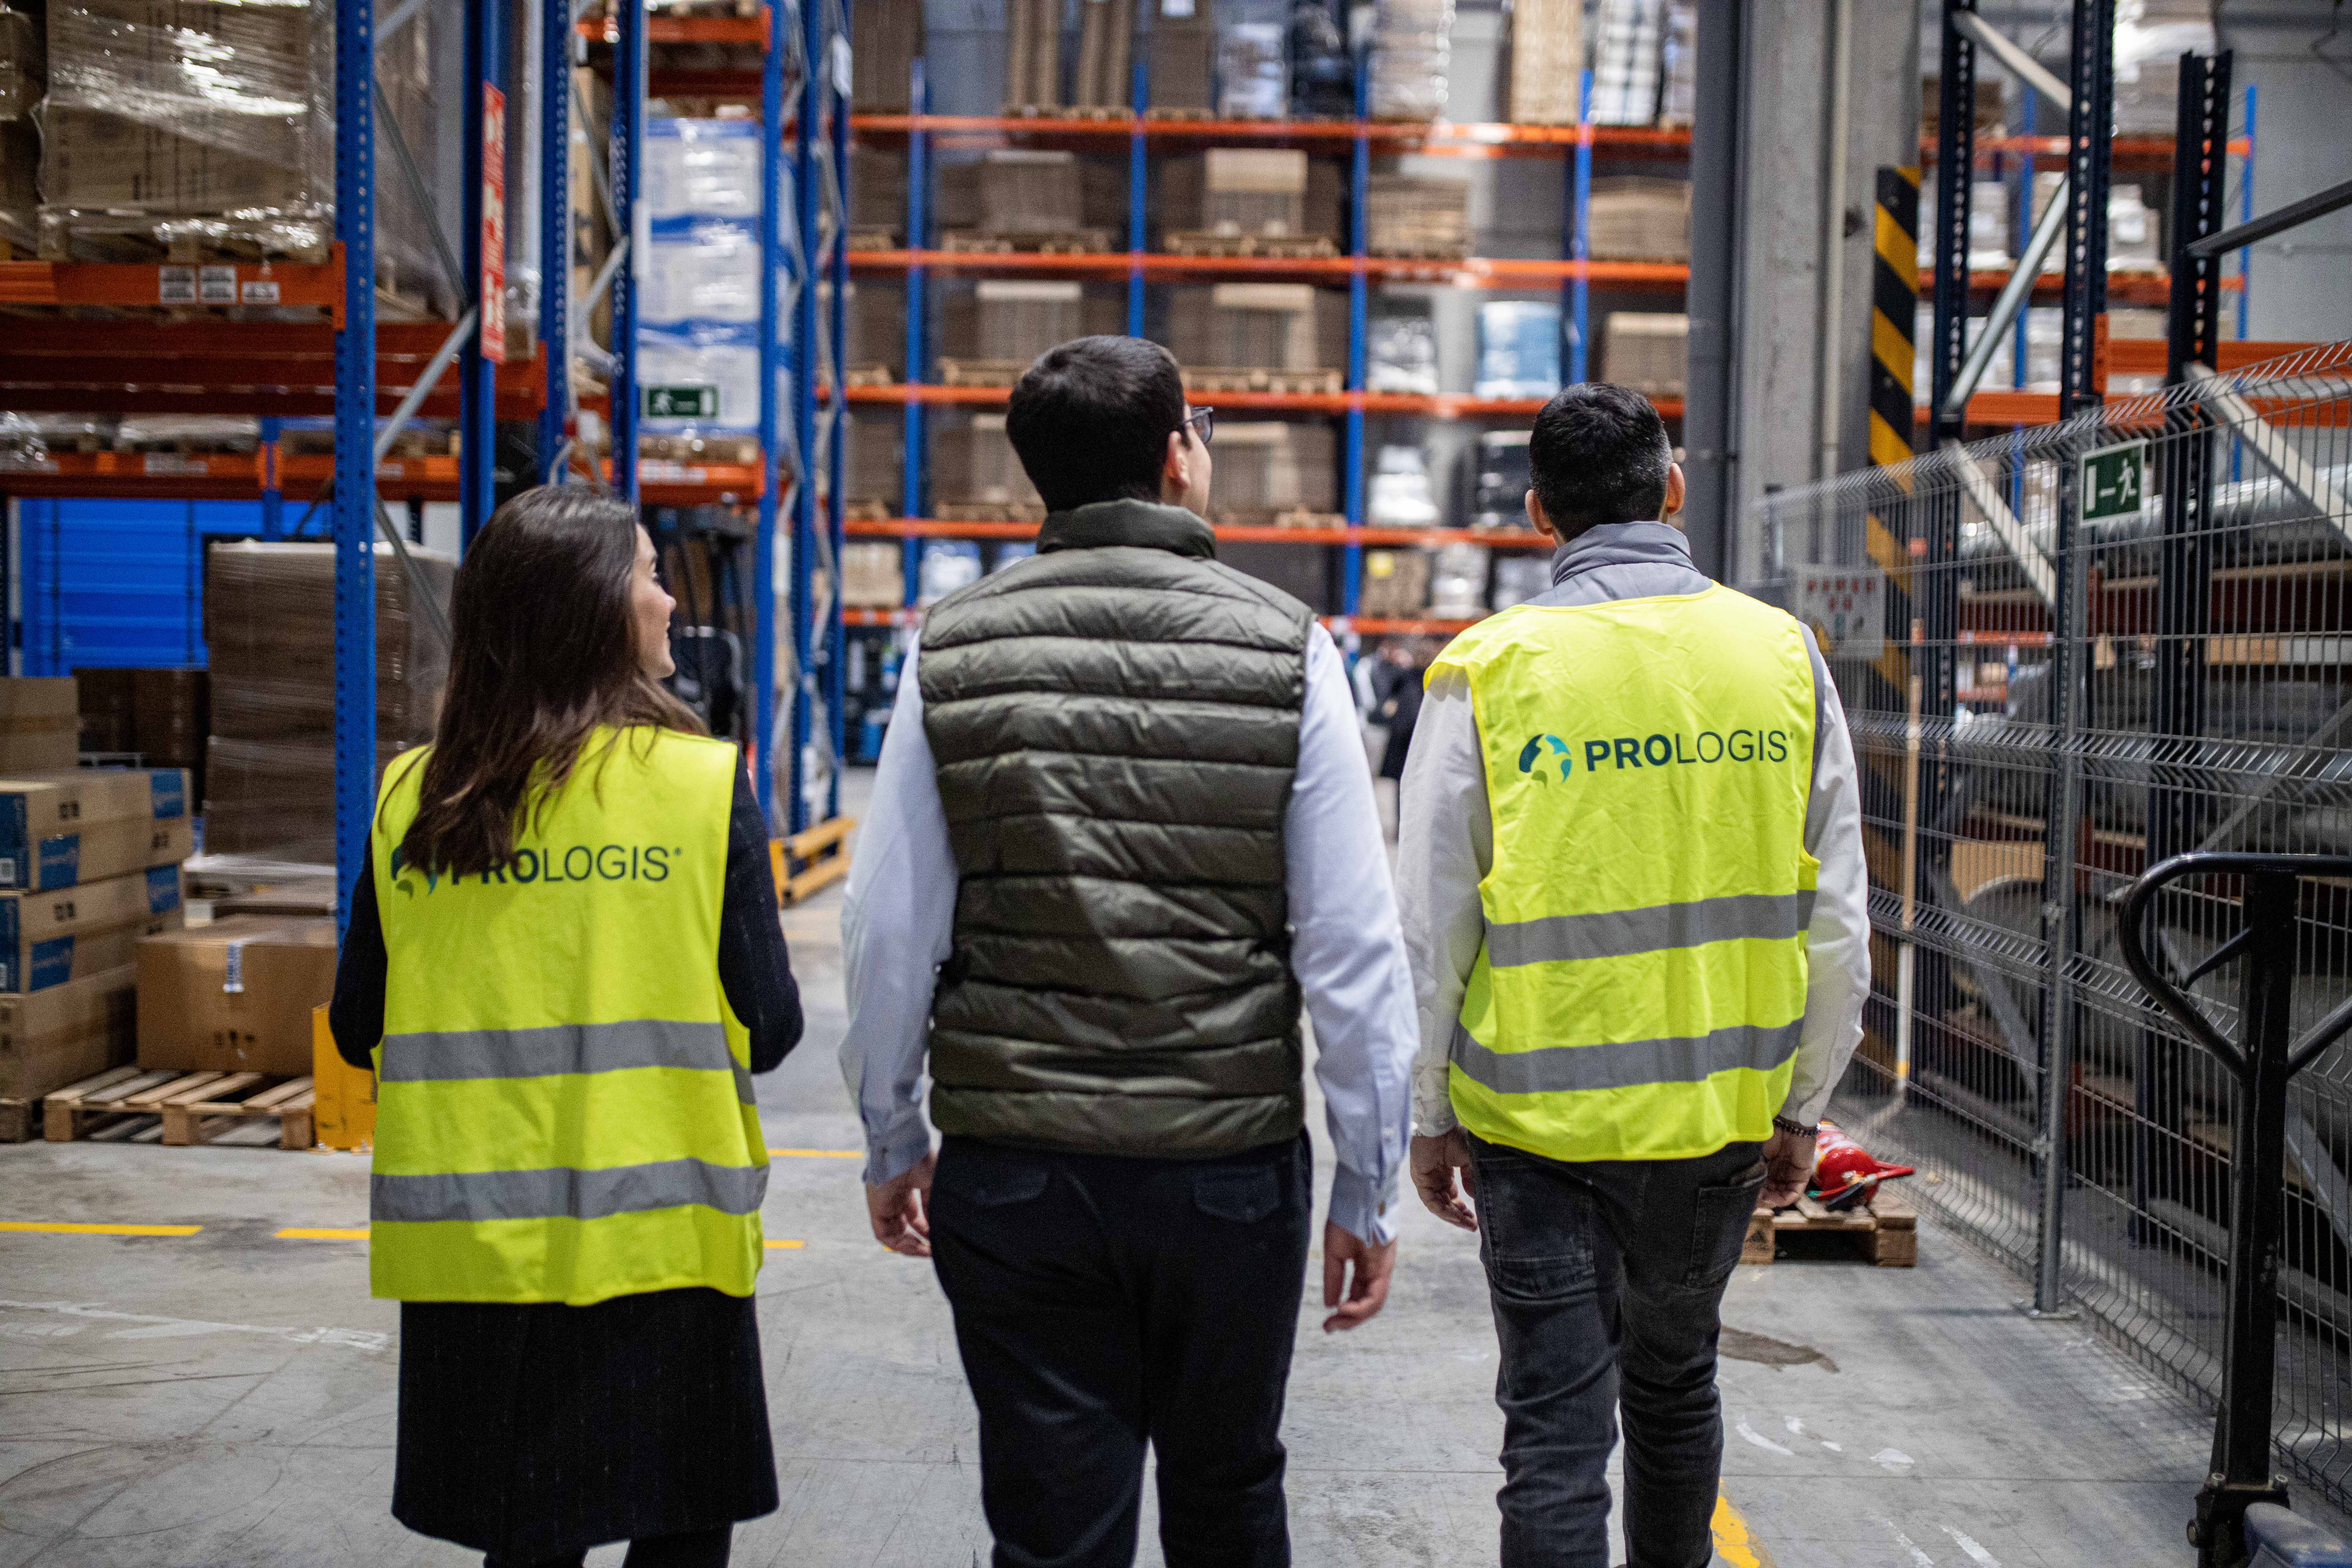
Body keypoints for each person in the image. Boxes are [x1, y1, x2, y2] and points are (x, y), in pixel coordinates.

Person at [840, 334, 1419, 1568]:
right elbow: (1354, 950)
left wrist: (893, 1135)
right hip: (1226, 1174)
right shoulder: (1288, 645)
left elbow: (890, 926)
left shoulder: (954, 647)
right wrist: (1366, 1181)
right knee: (1226, 1499)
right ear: (1177, 457)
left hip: (1019, 1171)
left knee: (1055, 1526)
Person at [1395, 384, 1870, 1568]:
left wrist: (1427, 1111)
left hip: (1535, 1129)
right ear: (1672, 487)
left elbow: (1429, 924)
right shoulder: (1784, 657)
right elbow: (1842, 926)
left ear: (1537, 512)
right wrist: (1805, 1109)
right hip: (1716, 1126)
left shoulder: (1487, 669)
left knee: (1556, 1430)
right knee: (1675, 1389)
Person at [329, 484, 803, 1568]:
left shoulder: (412, 795)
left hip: (477, 1258)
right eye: (647, 573)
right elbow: (770, 1027)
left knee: (527, 1538)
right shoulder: (697, 788)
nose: (670, 600)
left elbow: (361, 1029)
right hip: (663, 1247)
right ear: (592, 609)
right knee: (678, 1530)